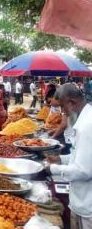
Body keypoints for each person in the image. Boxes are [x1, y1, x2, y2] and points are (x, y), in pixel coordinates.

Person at [45, 84, 92, 229]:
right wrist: (61, 159)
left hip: (87, 206)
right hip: (81, 200)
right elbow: (81, 156)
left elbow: (84, 170)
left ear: (71, 102)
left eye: (62, 106)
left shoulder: (87, 126)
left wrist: (53, 169)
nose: (61, 111)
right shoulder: (84, 117)